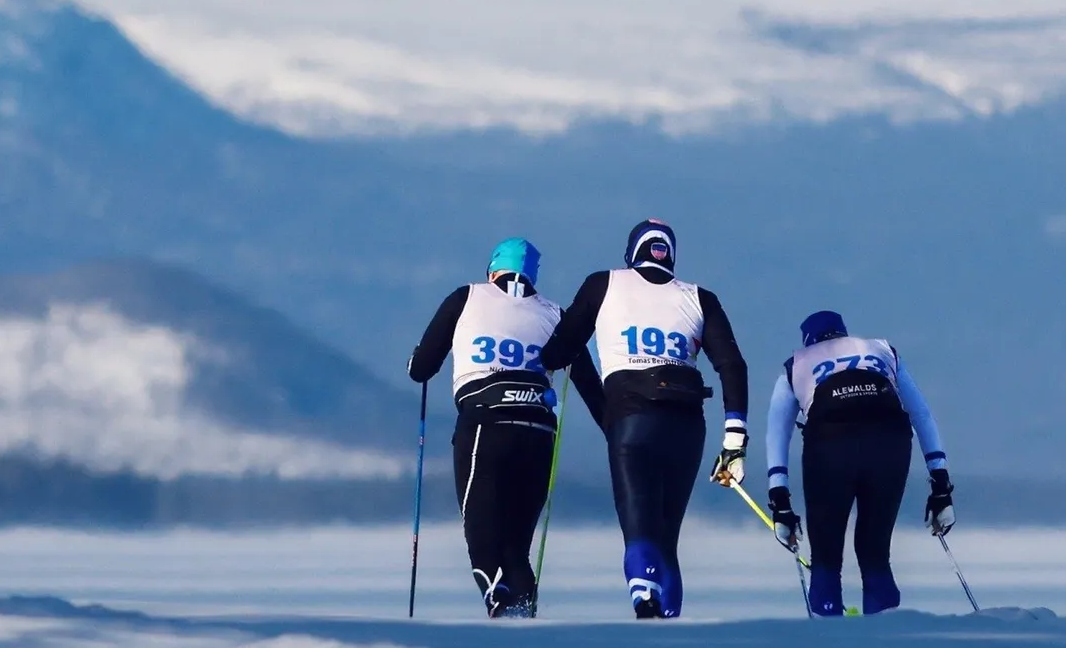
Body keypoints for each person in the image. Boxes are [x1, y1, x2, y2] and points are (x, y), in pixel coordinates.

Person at [538, 218, 750, 619]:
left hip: (631, 417)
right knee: (667, 537)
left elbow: (559, 351)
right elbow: (733, 366)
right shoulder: (700, 297)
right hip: (688, 422)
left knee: (640, 525)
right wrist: (735, 438)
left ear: (631, 254)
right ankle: (668, 622)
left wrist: (549, 360)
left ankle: (644, 602)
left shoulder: (603, 283)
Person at [406, 237, 605, 619]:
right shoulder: (555, 314)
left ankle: (500, 606)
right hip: (538, 429)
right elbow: (593, 392)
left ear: (492, 270)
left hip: (485, 422)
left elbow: (422, 369)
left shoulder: (466, 298)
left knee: (481, 536)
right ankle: (525, 620)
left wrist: (416, 360)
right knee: (516, 546)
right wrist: (618, 436)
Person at [764, 310, 956, 617]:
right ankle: (885, 632)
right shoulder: (882, 350)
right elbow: (921, 414)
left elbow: (777, 434)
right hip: (890, 442)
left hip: (829, 446)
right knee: (875, 552)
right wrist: (941, 484)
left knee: (826, 556)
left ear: (807, 341)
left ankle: (829, 629)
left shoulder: (795, 364)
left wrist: (780, 501)